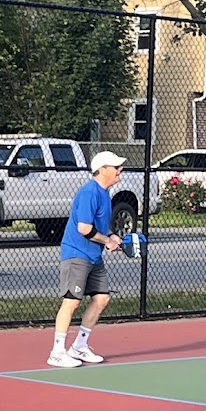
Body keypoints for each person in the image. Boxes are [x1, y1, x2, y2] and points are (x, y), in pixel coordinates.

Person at [47, 151, 126, 368]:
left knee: (102, 299)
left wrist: (111, 236)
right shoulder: (89, 192)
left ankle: (79, 347)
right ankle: (57, 352)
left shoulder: (105, 194)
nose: (120, 170)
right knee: (72, 301)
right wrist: (106, 241)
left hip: (94, 256)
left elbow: (99, 226)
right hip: (77, 254)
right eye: (116, 167)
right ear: (103, 170)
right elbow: (84, 228)